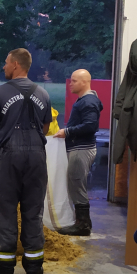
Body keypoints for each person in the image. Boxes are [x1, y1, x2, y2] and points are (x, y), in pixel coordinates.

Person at [0, 48, 52, 274]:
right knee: (33, 210)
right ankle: (34, 267)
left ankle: (3, 266)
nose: (4, 66)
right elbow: (44, 128)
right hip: (37, 157)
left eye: (6, 62)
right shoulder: (43, 93)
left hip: (10, 157)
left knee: (4, 210)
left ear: (15, 64)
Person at [55, 69, 102, 236]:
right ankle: (82, 222)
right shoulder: (86, 100)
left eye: (74, 81)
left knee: (77, 184)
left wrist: (67, 132)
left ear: (84, 82)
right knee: (76, 184)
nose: (70, 84)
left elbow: (91, 126)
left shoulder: (88, 102)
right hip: (80, 148)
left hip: (81, 149)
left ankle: (83, 225)